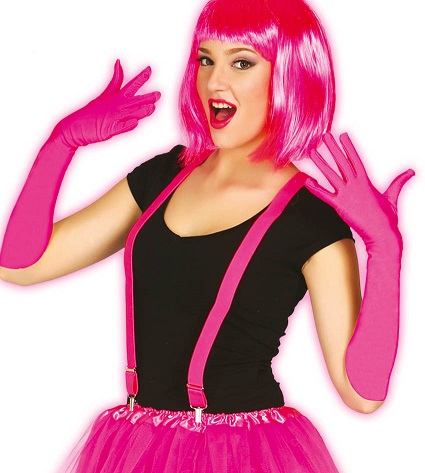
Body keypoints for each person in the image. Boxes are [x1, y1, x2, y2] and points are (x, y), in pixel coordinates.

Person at [0, 0, 414, 471]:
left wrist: (385, 249)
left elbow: (362, 394)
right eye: (206, 59)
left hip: (246, 456)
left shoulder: (311, 219)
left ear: (291, 76)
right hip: (137, 448)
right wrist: (61, 144)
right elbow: (20, 265)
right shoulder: (164, 177)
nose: (214, 82)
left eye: (242, 63)